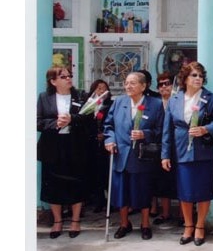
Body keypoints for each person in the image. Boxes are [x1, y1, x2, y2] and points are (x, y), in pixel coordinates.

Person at [161, 62, 213, 246]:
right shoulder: (175, 99)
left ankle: (200, 226)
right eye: (194, 75)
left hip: (203, 151)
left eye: (200, 76)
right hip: (181, 151)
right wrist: (165, 155)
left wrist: (206, 129)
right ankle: (188, 225)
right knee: (185, 191)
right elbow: (167, 129)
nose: (198, 79)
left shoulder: (210, 98)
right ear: (185, 79)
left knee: (204, 190)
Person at [103, 72, 165, 240]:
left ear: (143, 86)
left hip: (142, 155)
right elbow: (108, 126)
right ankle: (124, 224)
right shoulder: (119, 102)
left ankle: (145, 224)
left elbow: (161, 130)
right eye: (126, 83)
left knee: (143, 192)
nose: (128, 86)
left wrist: (145, 134)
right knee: (121, 193)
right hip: (120, 154)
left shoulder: (156, 104)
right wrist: (110, 140)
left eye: (133, 83)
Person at [37, 66, 93, 239]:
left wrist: (72, 119)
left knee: (76, 182)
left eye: (70, 76)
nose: (69, 79)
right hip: (52, 146)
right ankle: (58, 221)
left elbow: (88, 119)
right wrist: (56, 124)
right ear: (53, 81)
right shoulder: (44, 98)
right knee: (53, 184)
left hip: (74, 145)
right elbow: (37, 121)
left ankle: (75, 220)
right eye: (63, 77)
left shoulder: (81, 96)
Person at [150, 72, 178, 226]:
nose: (164, 87)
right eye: (161, 84)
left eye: (167, 83)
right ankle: (165, 213)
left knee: (179, 180)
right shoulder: (154, 103)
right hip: (159, 147)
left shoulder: (179, 101)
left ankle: (182, 214)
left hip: (178, 146)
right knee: (162, 181)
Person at [85, 79, 113, 213]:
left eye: (104, 88)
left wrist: (104, 134)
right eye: (98, 88)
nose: (101, 91)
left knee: (107, 172)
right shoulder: (89, 105)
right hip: (92, 143)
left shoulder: (111, 104)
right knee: (95, 172)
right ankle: (99, 201)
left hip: (106, 143)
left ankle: (111, 202)